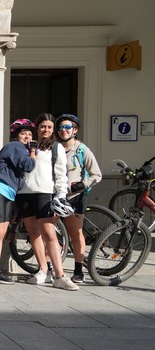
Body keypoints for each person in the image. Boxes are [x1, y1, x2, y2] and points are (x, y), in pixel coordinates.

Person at [16, 113, 79, 290]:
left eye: (49, 127)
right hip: (24, 193)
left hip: (45, 193)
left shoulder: (56, 147)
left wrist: (60, 194)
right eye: (43, 126)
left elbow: (61, 174)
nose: (46, 130)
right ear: (37, 127)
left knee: (50, 235)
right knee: (33, 233)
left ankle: (59, 275)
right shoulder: (27, 144)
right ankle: (43, 270)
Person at [0, 119, 37, 286]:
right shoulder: (16, 147)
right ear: (15, 136)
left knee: (1, 234)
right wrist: (33, 151)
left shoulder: (19, 149)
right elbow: (28, 166)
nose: (27, 136)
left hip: (7, 192)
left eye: (29, 134)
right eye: (23, 133)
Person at [56, 113, 102, 283]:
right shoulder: (55, 147)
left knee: (75, 234)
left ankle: (78, 271)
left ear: (75, 130)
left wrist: (80, 185)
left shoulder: (82, 149)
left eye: (67, 127)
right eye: (60, 127)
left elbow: (97, 174)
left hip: (75, 197)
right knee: (49, 233)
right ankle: (46, 268)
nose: (63, 130)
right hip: (56, 196)